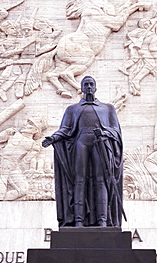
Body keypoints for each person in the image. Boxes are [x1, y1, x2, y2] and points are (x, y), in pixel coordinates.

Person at [42, 76, 124, 228]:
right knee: (79, 181)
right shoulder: (72, 109)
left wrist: (104, 133)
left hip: (100, 144)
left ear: (95, 87)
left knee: (101, 180)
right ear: (81, 88)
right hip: (81, 143)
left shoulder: (107, 108)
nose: (88, 87)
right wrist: (53, 138)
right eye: (85, 84)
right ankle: (78, 220)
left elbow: (116, 131)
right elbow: (65, 129)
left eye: (91, 84)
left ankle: (103, 220)